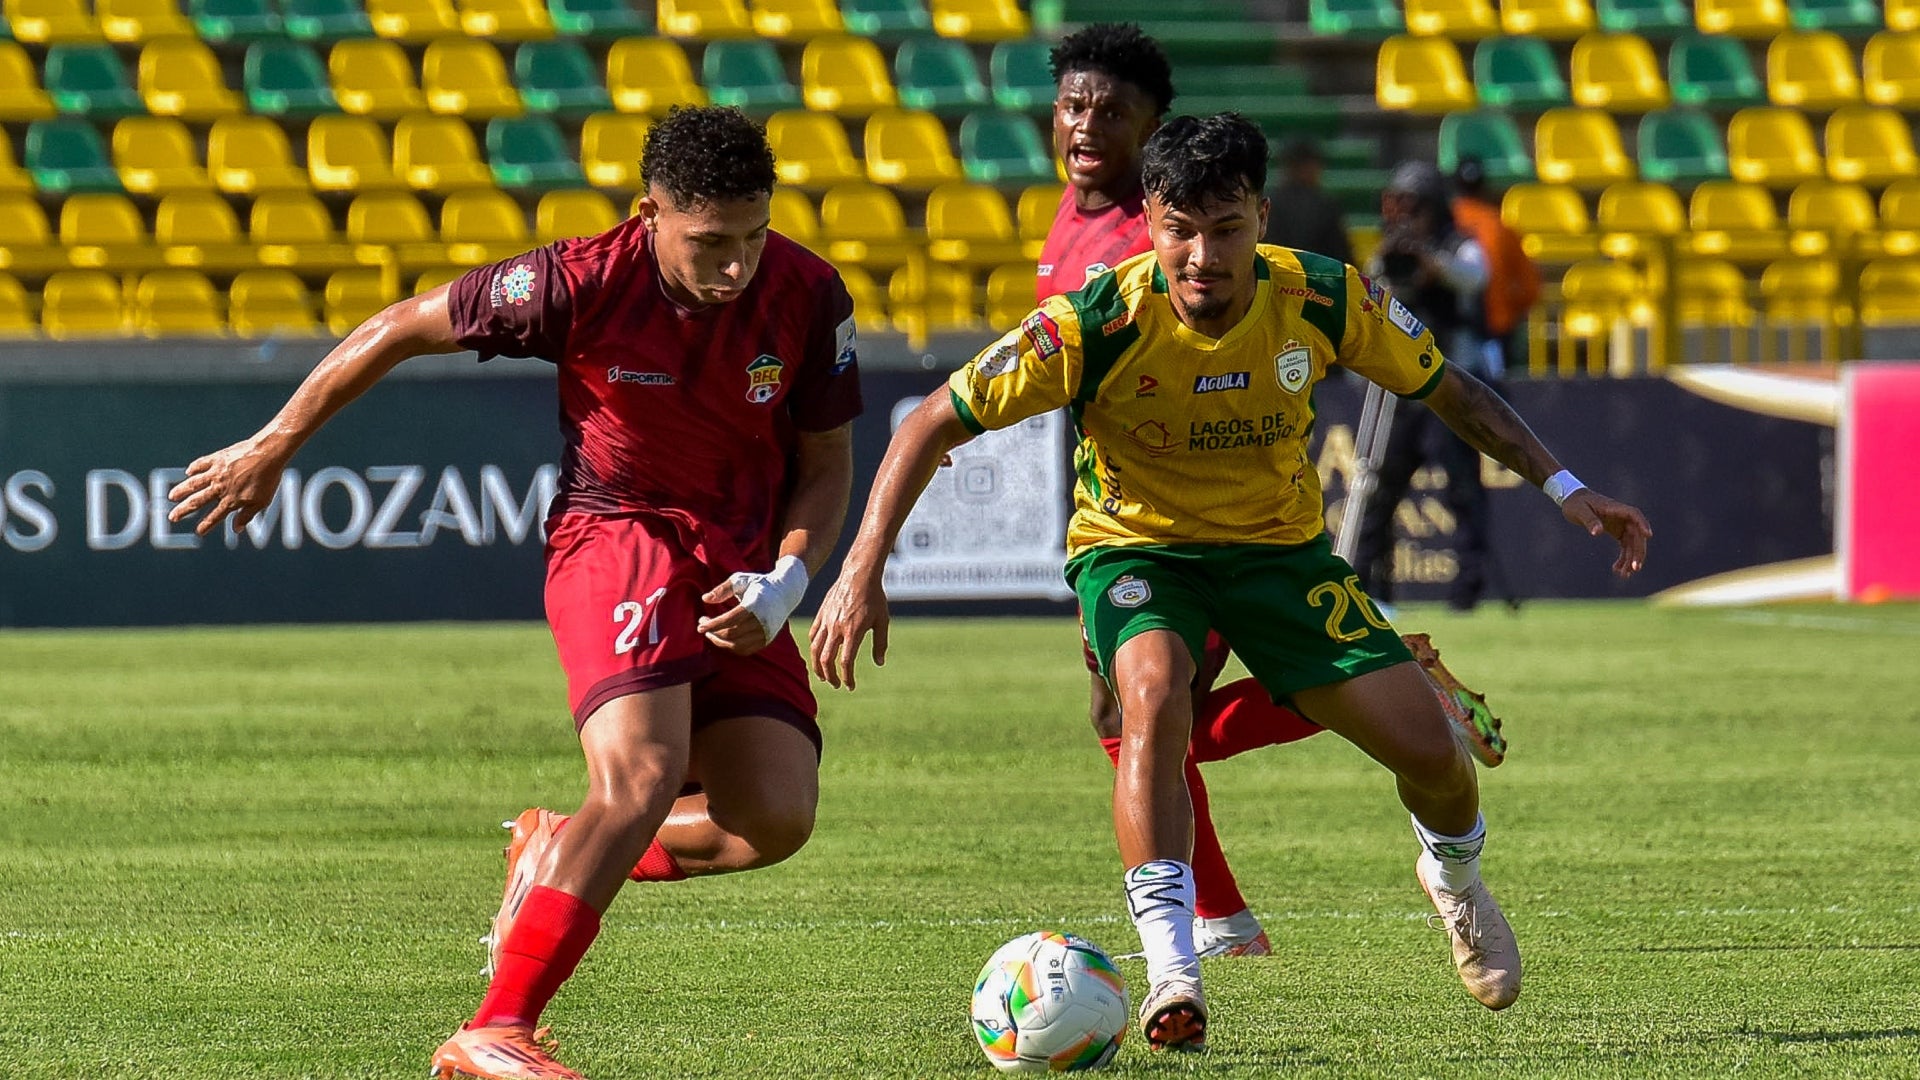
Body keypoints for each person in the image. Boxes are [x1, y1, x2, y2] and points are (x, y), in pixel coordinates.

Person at [809, 114, 1651, 1052]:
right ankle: (1176, 968)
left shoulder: (1322, 297)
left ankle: (1453, 880)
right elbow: (930, 419)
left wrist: (1568, 487)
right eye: (1179, 229)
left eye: (1225, 228)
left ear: (1259, 215)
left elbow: (1448, 388)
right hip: (1137, 553)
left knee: (1434, 762)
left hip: (1281, 557)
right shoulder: (1096, 319)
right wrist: (859, 570)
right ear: (1151, 222)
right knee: (1153, 701)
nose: (1202, 255)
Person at [167, 106, 863, 1080]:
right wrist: (275, 441)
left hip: (738, 565)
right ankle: (497, 1027)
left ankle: (551, 848)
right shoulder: (579, 280)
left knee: (774, 818)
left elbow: (827, 462)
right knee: (641, 778)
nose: (737, 264)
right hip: (616, 534)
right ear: (649, 213)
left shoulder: (809, 292)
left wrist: (790, 576)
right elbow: (404, 326)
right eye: (711, 243)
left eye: (753, 235)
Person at [1040, 23, 1504, 964]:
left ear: (1153, 130)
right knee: (1131, 720)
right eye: (1074, 106)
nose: (1088, 126)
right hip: (1122, 509)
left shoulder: (1167, 235)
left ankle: (1218, 921)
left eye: (1112, 113)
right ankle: (1224, 914)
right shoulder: (1070, 214)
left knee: (1149, 718)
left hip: (1215, 527)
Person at [1355, 160, 1495, 612]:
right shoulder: (1392, 249)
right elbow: (1369, 292)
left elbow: (1474, 279)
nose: (1409, 215)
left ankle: (1468, 590)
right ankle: (1372, 587)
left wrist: (1431, 260)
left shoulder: (1459, 245)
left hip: (1447, 383)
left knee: (1462, 489)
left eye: (1416, 206)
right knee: (1382, 489)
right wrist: (1394, 259)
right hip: (1401, 386)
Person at [1450, 157, 1541, 377]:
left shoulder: (1442, 225)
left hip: (1448, 331)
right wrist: (1508, 310)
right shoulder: (1499, 226)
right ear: (1484, 186)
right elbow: (1530, 287)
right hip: (1495, 329)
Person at [1263, 137, 1354, 266]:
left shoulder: (1268, 202)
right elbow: (1342, 258)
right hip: (1318, 279)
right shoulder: (1325, 204)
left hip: (1275, 276)